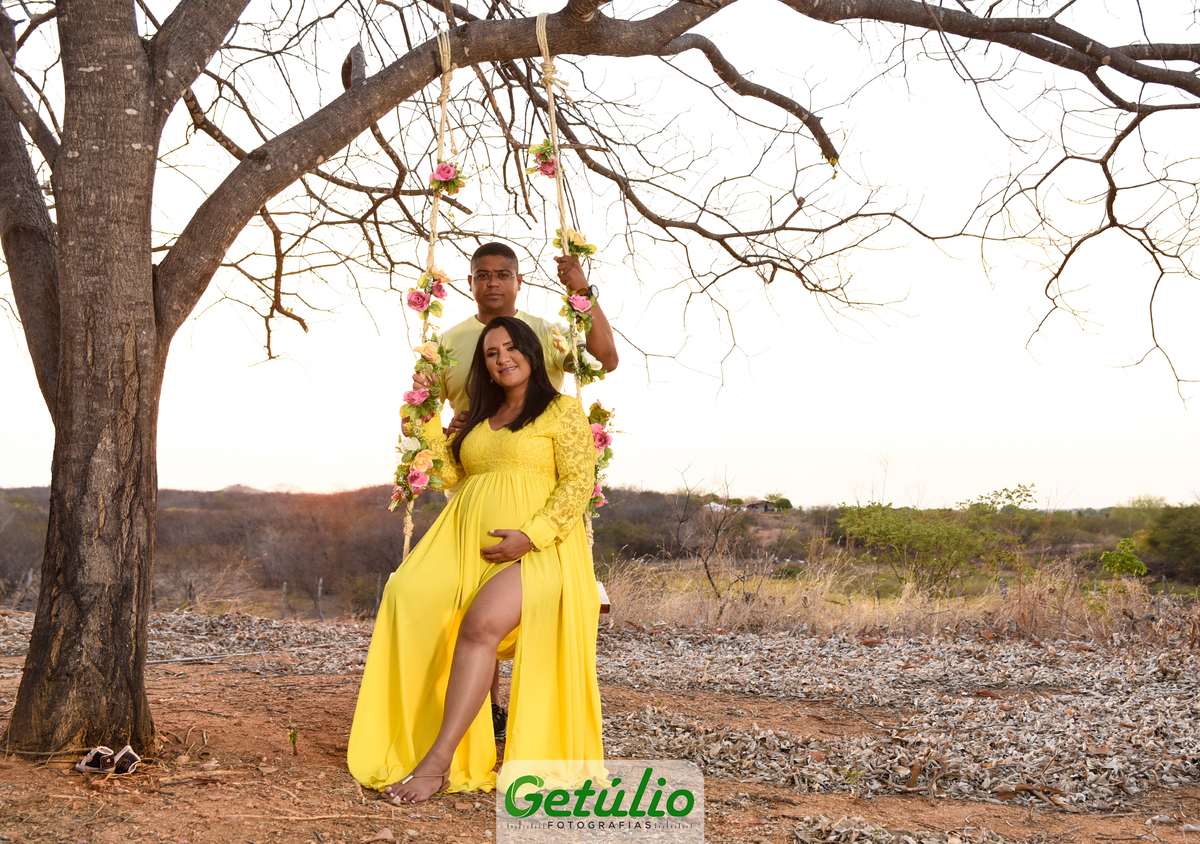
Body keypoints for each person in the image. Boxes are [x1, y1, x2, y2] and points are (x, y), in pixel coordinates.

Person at [347, 316, 604, 803]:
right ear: (483, 365)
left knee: (479, 625)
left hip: (541, 550)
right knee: (405, 592)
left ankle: (437, 763)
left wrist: (531, 536)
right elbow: (445, 475)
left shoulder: (561, 410)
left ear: (530, 352)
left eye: (511, 348)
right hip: (467, 544)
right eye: (491, 353)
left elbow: (578, 483)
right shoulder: (479, 418)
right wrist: (424, 413)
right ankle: (409, 729)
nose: (503, 358)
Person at [416, 242, 617, 737]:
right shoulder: (447, 343)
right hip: (473, 484)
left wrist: (582, 288)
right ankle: (484, 712)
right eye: (482, 275)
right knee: (461, 604)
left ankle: (533, 720)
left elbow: (606, 359)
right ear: (469, 283)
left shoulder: (545, 333)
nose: (493, 283)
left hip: (540, 484)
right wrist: (448, 428)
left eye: (503, 274)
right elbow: (430, 410)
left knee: (495, 612)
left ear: (519, 281)